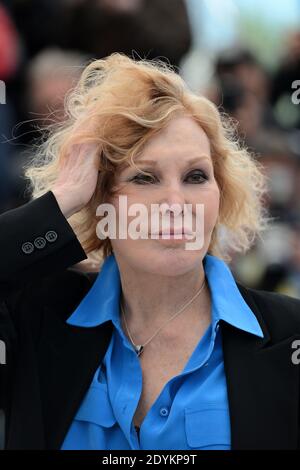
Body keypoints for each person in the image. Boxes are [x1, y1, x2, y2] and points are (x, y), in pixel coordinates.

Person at [1, 53, 300, 450]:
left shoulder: (290, 335)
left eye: (196, 176)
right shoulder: (35, 318)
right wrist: (60, 201)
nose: (176, 202)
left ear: (220, 194)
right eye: (145, 177)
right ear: (99, 197)